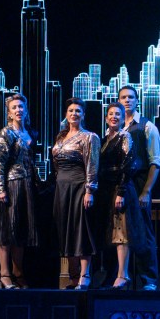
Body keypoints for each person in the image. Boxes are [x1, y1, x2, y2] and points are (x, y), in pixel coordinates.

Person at [93, 102, 143, 290]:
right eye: (111, 114)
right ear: (106, 118)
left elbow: (128, 164)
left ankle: (123, 275)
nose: (114, 117)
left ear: (123, 119)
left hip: (120, 188)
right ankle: (115, 274)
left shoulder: (125, 136)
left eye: (118, 114)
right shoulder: (104, 139)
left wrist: (120, 192)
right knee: (112, 233)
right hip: (106, 189)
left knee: (121, 232)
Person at [51, 98, 99, 289]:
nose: (74, 114)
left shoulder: (89, 137)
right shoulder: (60, 137)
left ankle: (84, 275)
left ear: (83, 115)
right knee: (66, 231)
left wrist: (89, 190)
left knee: (81, 230)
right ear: (66, 114)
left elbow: (92, 165)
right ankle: (72, 276)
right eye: (71, 110)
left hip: (79, 186)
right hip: (62, 188)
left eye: (78, 111)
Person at [0, 93, 39, 289]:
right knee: (6, 230)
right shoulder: (6, 132)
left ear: (25, 110)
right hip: (12, 185)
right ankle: (4, 274)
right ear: (9, 113)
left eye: (21, 107)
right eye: (14, 108)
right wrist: (1, 189)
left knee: (20, 231)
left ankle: (18, 272)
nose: (18, 110)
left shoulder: (29, 133)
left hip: (27, 186)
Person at [118, 86, 160, 291]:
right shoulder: (116, 126)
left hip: (138, 183)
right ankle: (122, 277)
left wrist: (146, 191)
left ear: (137, 101)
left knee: (143, 230)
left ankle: (149, 280)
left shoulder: (147, 126)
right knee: (121, 232)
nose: (127, 100)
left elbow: (156, 161)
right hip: (121, 186)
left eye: (130, 97)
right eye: (123, 97)